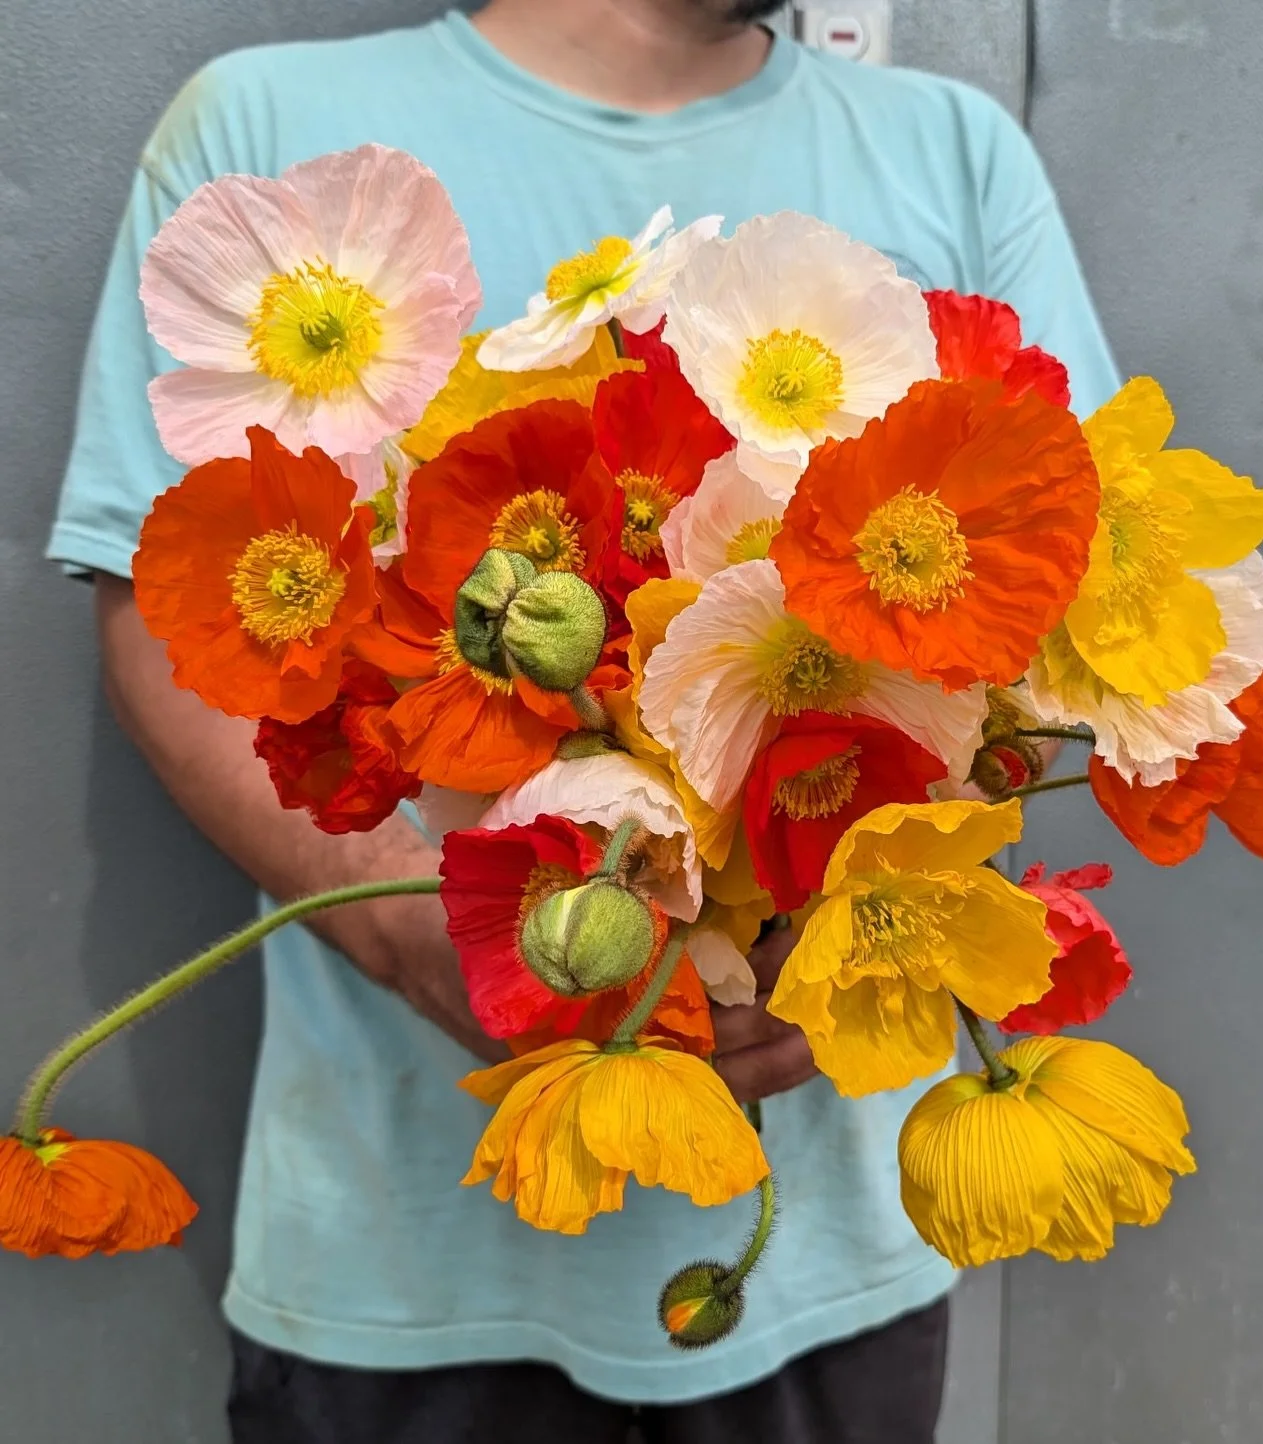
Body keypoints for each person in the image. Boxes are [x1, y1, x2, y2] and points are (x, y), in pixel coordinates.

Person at [48, 2, 1119, 1440]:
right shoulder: (265, 129)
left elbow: (1052, 603)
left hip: (827, 1253)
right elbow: (170, 623)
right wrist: (418, 935)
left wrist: (845, 930)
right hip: (403, 1251)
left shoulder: (956, 151)